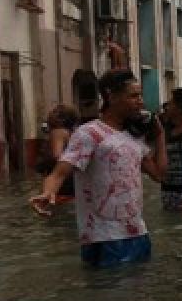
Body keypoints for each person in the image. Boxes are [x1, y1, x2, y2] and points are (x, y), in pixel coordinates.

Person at [29, 69, 167, 268]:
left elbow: (159, 175)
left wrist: (160, 135)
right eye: (133, 96)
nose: (141, 102)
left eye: (141, 96)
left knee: (140, 295)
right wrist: (48, 193)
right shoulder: (89, 134)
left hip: (138, 233)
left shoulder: (133, 137)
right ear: (111, 96)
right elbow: (60, 171)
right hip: (104, 238)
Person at [37, 104, 80, 201]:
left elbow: (57, 156)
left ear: (62, 119)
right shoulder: (69, 133)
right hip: (69, 181)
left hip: (61, 183)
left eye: (54, 112)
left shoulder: (58, 132)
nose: (50, 113)